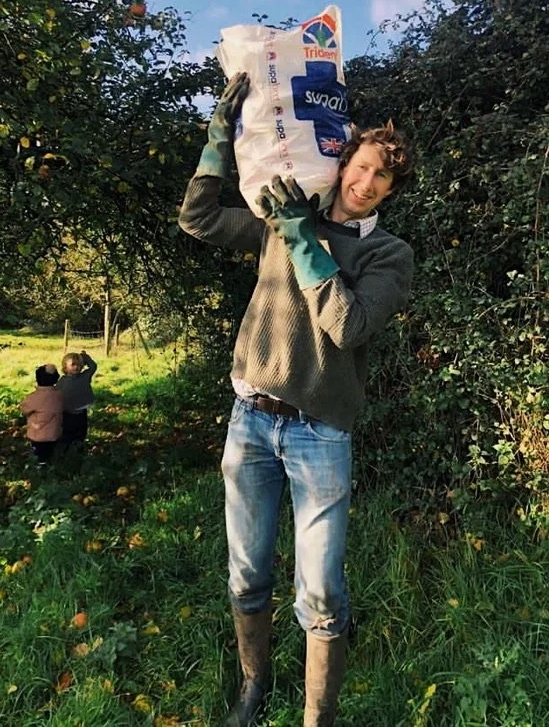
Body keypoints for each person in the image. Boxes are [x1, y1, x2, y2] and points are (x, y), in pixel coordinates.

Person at [178, 72, 415, 726]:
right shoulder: (284, 218)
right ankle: (255, 685)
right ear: (343, 163)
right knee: (247, 574)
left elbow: (349, 326)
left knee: (320, 594)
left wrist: (304, 240)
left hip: (321, 434)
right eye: (359, 168)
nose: (363, 183)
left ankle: (317, 718)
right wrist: (216, 143)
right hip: (250, 422)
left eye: (379, 180)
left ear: (389, 192)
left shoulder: (388, 254)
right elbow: (197, 219)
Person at [19, 363, 64, 465]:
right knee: (50, 452)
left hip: (38, 434)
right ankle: (51, 466)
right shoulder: (58, 395)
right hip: (55, 433)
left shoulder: (35, 397)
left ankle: (39, 469)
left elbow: (24, 409)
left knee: (38, 455)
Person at [56, 350, 98, 450]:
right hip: (67, 412)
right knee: (67, 431)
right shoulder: (62, 381)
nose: (76, 367)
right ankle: (65, 447)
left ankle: (78, 445)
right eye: (73, 364)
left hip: (81, 411)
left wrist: (85, 357)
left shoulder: (84, 376)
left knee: (81, 430)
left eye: (79, 364)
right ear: (65, 367)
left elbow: (93, 367)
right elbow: (57, 395)